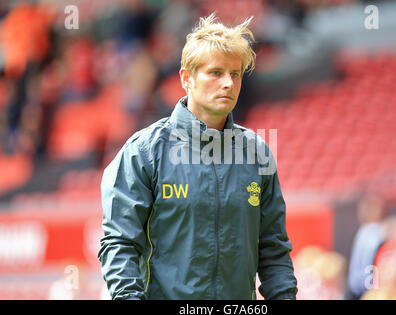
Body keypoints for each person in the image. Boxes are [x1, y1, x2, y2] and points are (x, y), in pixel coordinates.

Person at [98, 13, 297, 300]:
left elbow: (273, 250)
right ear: (186, 78)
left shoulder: (256, 153)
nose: (228, 83)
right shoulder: (143, 152)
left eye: (236, 73)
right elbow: (119, 245)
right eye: (216, 72)